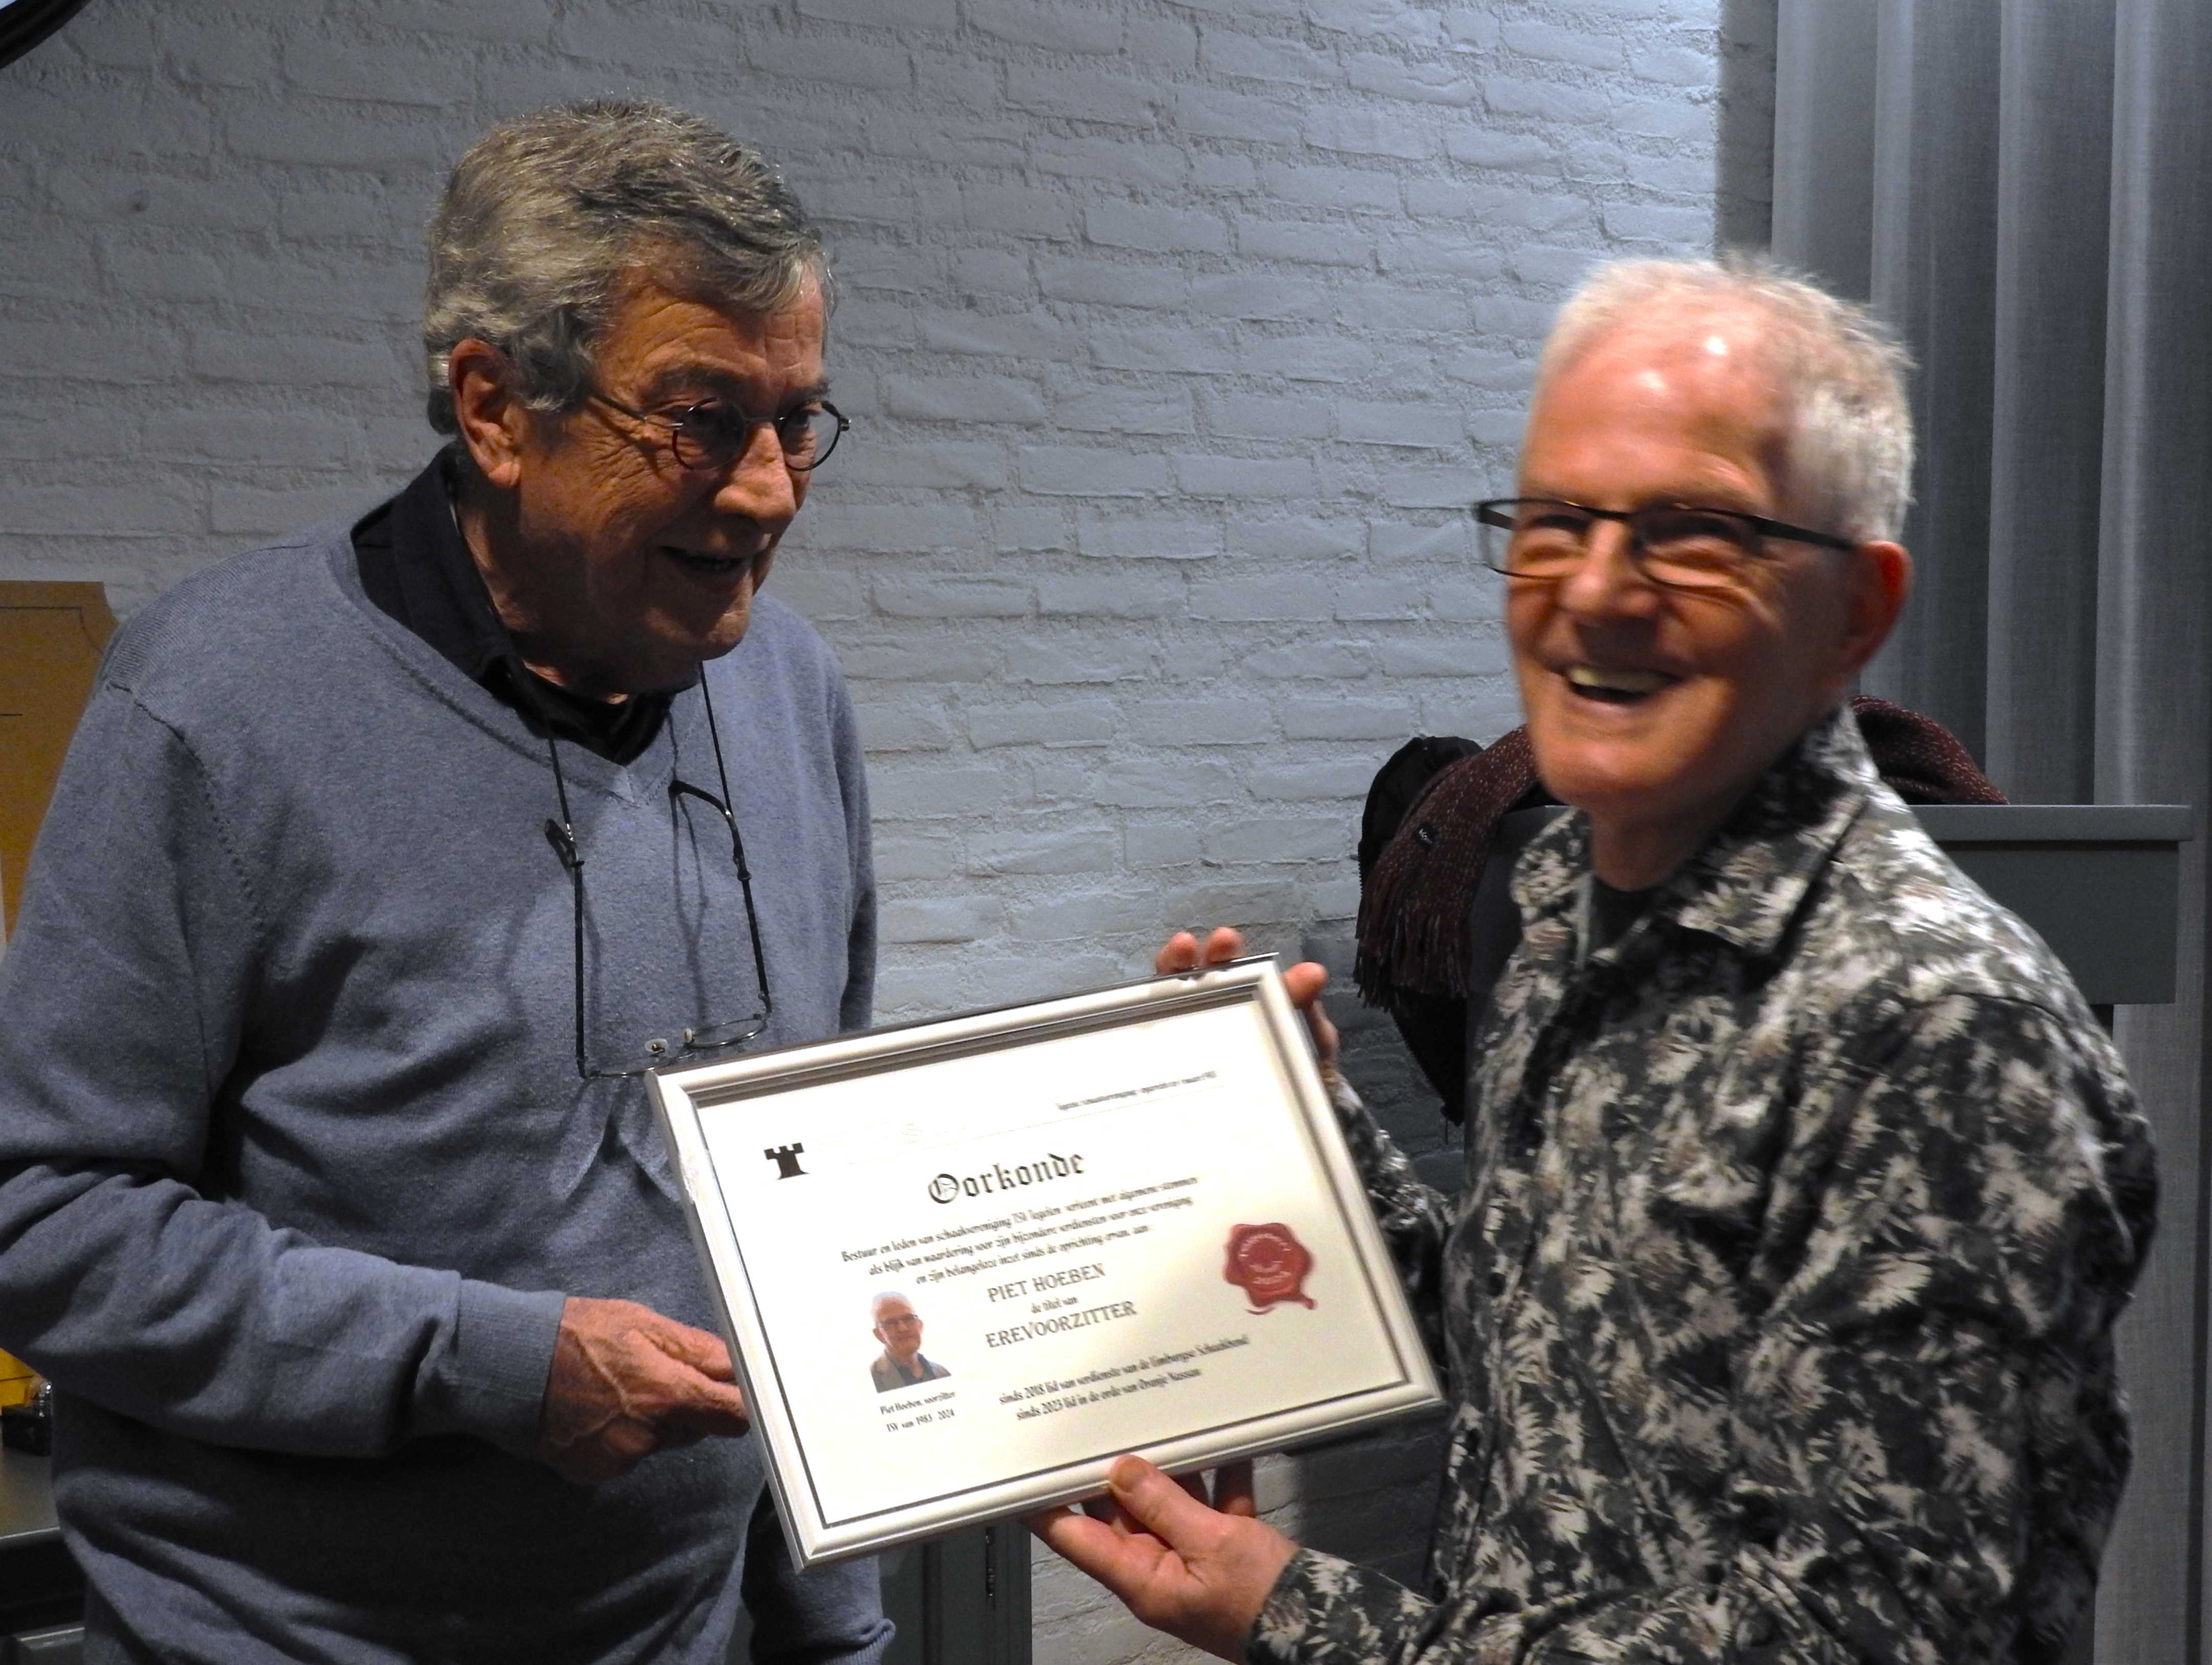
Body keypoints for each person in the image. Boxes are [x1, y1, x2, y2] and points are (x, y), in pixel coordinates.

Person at [1033, 257, 2157, 1665]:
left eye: (1690, 534)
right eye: (1553, 522)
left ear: (1856, 612)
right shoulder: (1563, 889)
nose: (1595, 593)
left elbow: (1866, 1634)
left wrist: (1307, 1615)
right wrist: (1306, 1135)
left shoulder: (1935, 1023)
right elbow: (1547, 1349)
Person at [0, 102, 888, 1665]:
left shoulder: (793, 693)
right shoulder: (214, 701)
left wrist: (835, 1634)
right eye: (697, 418)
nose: (767, 493)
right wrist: (484, 1360)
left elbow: (811, 1201)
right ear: (493, 406)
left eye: (796, 418)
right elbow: (44, 1219)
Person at [869, 1292, 951, 1393]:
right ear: (878, 1335)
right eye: (891, 1323)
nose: (903, 1328)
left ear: (920, 1325)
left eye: (908, 1319)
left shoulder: (942, 1373)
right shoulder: (870, 1381)